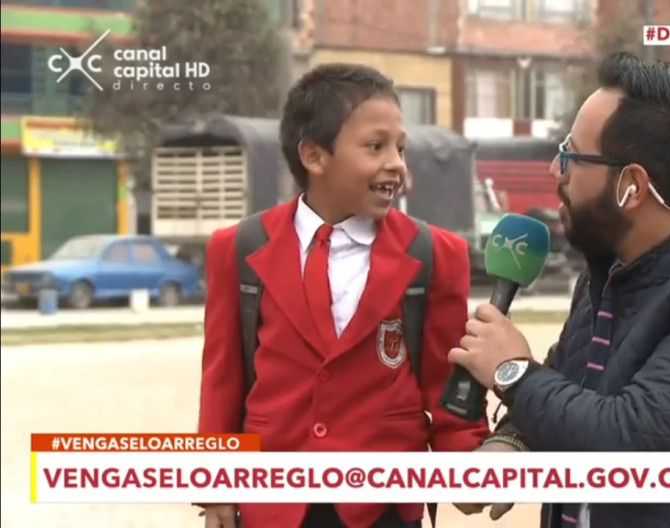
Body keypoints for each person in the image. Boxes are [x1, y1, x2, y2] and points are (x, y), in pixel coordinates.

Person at [450, 52, 670, 528]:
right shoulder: (609, 271)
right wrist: (513, 440)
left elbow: (626, 443)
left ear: (632, 186)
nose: (556, 172)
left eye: (571, 156)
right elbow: (569, 384)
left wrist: (511, 372)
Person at [197, 64, 490, 528]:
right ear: (314, 156)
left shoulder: (436, 255)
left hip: (385, 509)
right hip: (273, 507)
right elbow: (221, 381)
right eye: (375, 147)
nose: (396, 163)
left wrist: (470, 464)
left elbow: (443, 384)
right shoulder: (238, 249)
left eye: (400, 148)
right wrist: (214, 490)